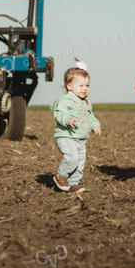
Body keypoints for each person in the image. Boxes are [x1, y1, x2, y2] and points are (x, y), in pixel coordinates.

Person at [50, 61, 101, 194]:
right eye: (81, 85)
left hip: (81, 138)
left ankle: (73, 184)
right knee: (72, 157)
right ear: (69, 86)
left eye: (87, 85)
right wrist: (67, 119)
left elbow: (90, 117)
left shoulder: (86, 102)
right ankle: (60, 176)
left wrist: (95, 125)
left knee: (79, 164)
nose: (85, 88)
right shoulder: (65, 100)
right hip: (66, 136)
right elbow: (58, 113)